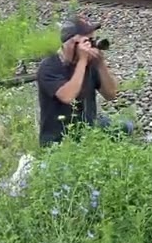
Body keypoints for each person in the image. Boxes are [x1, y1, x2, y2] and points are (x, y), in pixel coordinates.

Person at [36, 15, 121, 147]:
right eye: (87, 41)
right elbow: (67, 96)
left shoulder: (91, 63)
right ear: (71, 43)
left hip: (88, 129)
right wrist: (82, 61)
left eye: (93, 40)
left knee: (125, 126)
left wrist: (101, 64)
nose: (91, 45)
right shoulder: (49, 66)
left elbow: (111, 94)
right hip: (59, 138)